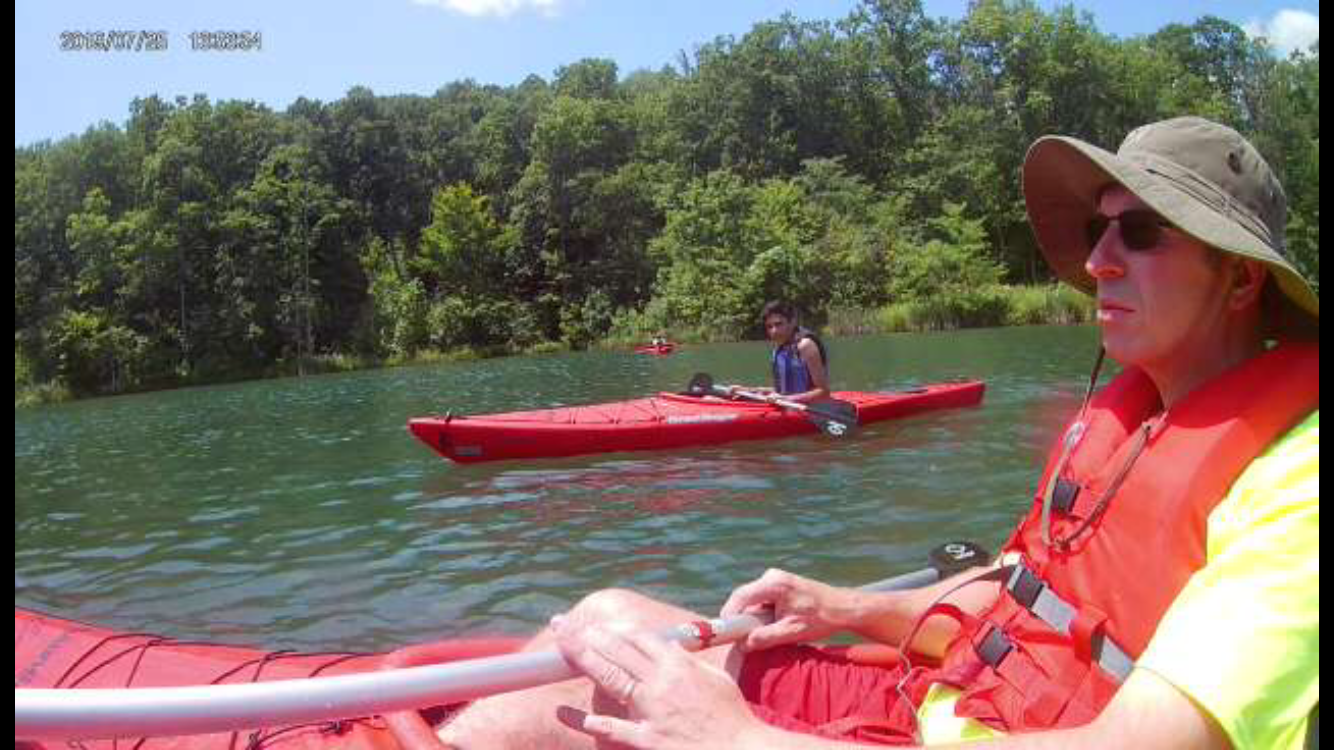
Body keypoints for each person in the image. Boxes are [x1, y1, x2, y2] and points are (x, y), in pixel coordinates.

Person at [436, 116, 1318, 749]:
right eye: (1096, 229)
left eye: (1143, 232)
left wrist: (735, 740)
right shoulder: (1133, 422)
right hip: (942, 700)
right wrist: (840, 605)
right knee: (604, 627)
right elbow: (1023, 598)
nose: (1096, 262)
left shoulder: (1299, 484)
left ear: (1241, 282)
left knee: (605, 672)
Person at [727, 300, 831, 405]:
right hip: (792, 406)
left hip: (813, 411)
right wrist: (749, 391)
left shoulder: (806, 345)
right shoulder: (779, 349)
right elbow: (781, 391)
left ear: (792, 322)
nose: (774, 331)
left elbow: (823, 392)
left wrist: (786, 399)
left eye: (779, 324)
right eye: (769, 326)